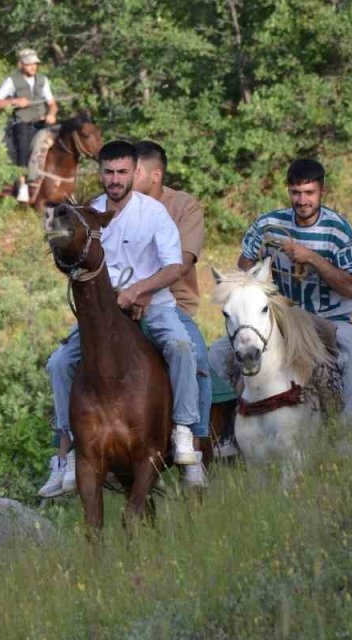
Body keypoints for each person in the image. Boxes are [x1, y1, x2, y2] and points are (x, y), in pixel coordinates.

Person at [39, 140, 200, 498]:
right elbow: (71, 259)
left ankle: (185, 431)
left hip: (153, 303)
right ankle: (66, 452)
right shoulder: (89, 212)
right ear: (101, 173)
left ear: (134, 173)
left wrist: (140, 291)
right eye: (108, 172)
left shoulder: (153, 212)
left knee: (181, 345)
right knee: (60, 362)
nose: (114, 179)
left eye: (122, 172)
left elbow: (174, 265)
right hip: (104, 312)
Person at [236, 158, 352, 428]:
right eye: (296, 192)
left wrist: (312, 258)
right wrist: (262, 269)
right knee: (219, 352)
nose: (302, 200)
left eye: (309, 193)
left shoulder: (338, 230)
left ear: (322, 192)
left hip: (330, 318)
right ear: (288, 191)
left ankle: (349, 424)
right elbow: (243, 267)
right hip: (281, 316)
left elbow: (349, 287)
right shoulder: (268, 224)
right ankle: (226, 431)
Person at [132, 140, 211, 487]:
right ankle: (72, 452)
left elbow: (182, 262)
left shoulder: (185, 207)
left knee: (198, 359)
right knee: (70, 358)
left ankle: (195, 446)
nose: (125, 178)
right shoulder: (122, 207)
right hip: (126, 302)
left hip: (172, 302)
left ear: (155, 174)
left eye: (134, 171)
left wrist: (145, 291)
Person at [0, 48, 59, 203]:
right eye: (29, 64)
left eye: (35, 64)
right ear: (21, 65)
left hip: (41, 120)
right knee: (23, 144)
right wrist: (14, 102)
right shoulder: (12, 81)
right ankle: (22, 185)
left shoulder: (43, 80)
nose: (33, 67)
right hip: (22, 122)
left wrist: (51, 114)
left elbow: (52, 104)